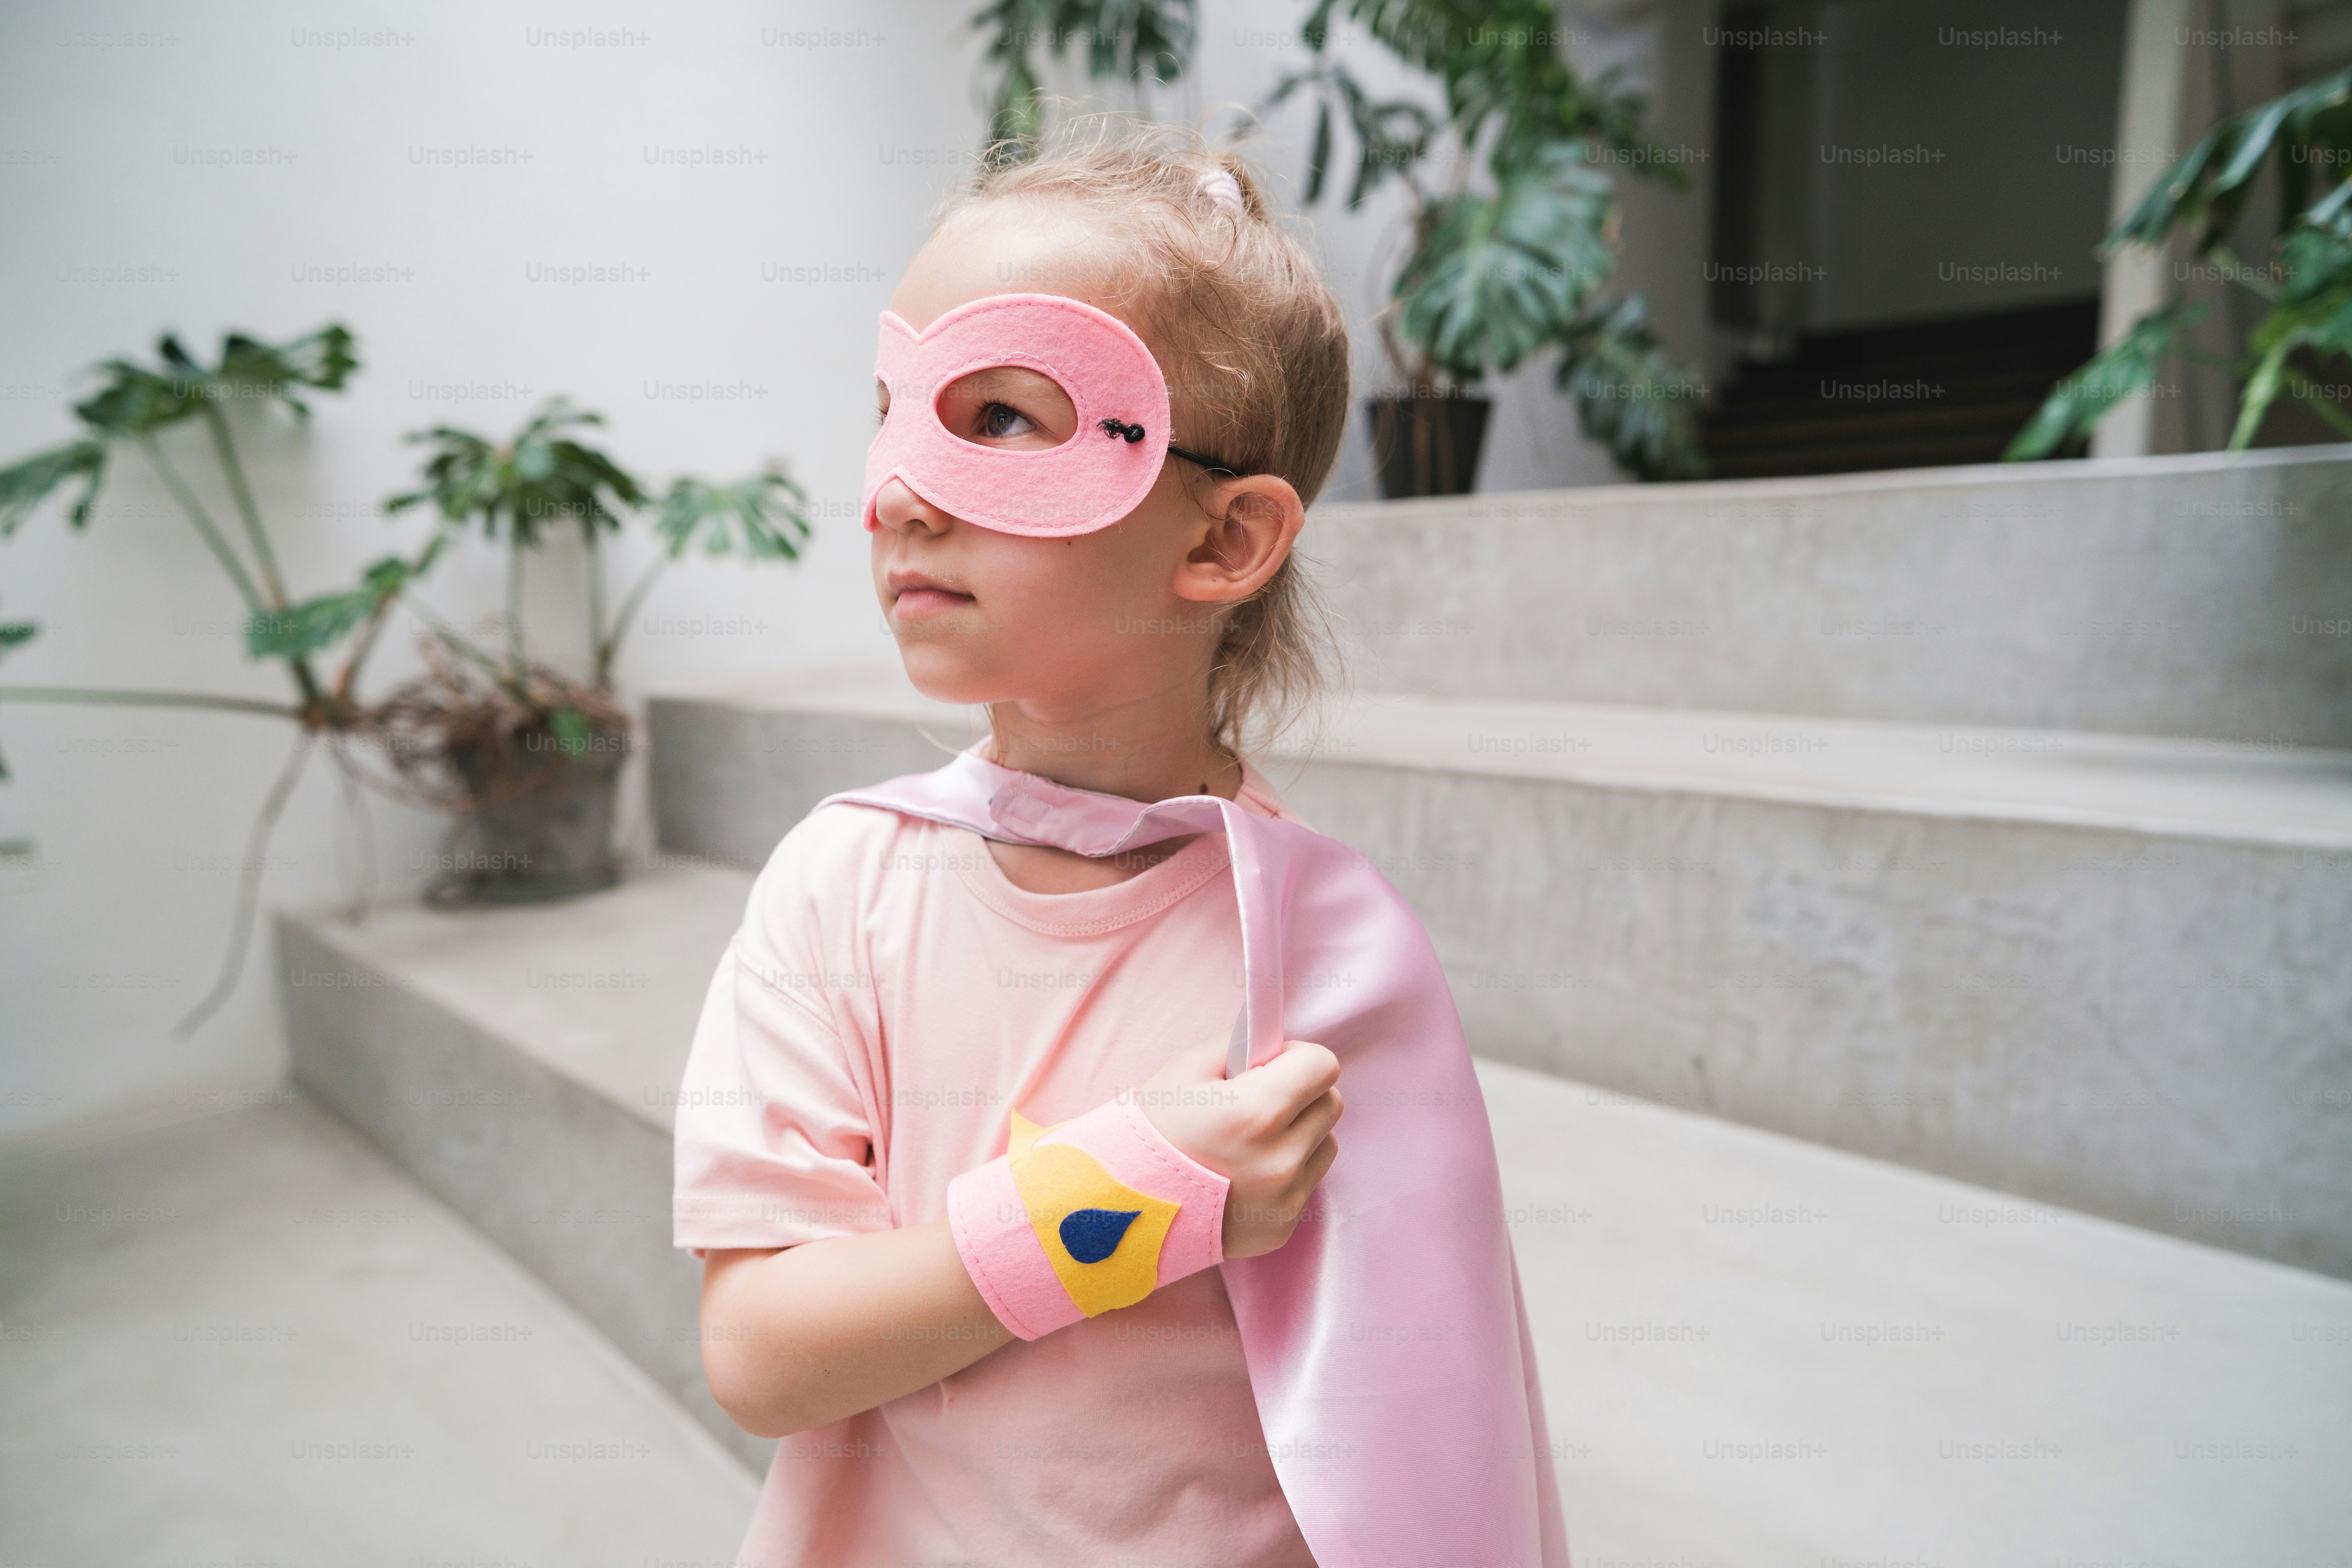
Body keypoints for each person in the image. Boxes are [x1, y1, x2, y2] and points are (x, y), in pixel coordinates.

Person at [672, 117, 1564, 1568]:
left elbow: (1421, 1431)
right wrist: (1115, 1201)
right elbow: (762, 1351)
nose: (898, 489)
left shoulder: (1323, 950)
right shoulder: (840, 889)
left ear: (1221, 544)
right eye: (892, 409)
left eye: (1003, 419)